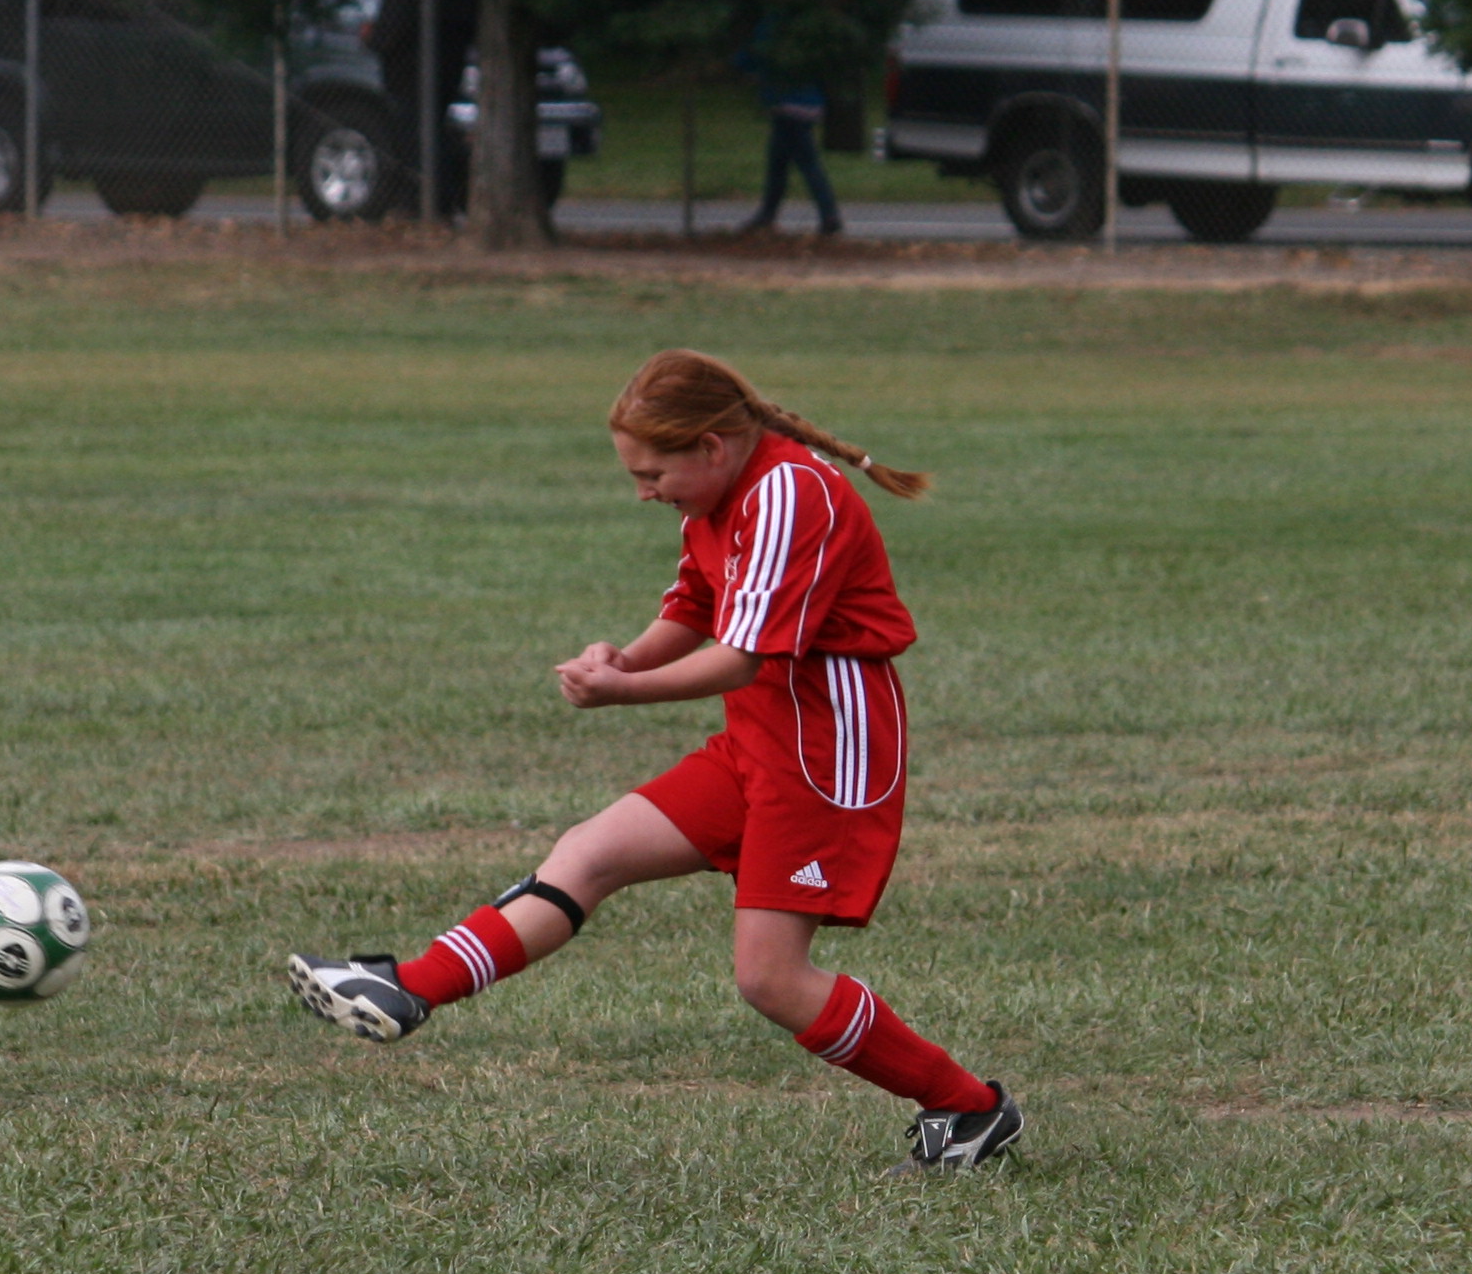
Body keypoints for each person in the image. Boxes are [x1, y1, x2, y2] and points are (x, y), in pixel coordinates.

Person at [286, 349, 1021, 1171]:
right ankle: (411, 987)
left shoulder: (789, 492)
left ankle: (968, 1107)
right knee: (588, 853)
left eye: (651, 473)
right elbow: (698, 606)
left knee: (771, 979)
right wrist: (625, 659)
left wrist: (622, 692)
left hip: (825, 752)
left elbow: (741, 656)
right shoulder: (716, 491)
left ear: (711, 446)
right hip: (760, 736)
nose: (643, 491)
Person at [737, 21, 843, 237]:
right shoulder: (806, 29)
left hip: (788, 105)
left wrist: (741, 64)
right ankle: (767, 214)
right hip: (809, 103)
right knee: (778, 161)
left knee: (806, 163)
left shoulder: (772, 27)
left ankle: (829, 215)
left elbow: (752, 57)